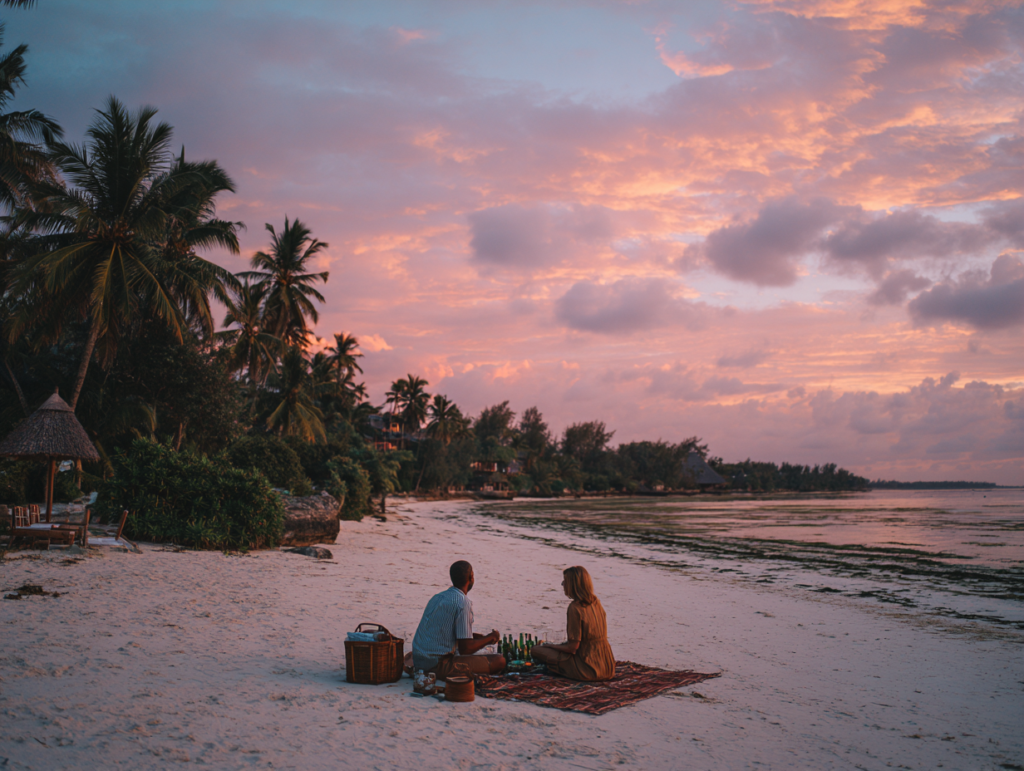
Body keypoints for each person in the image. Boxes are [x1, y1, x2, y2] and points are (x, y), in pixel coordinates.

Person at [411, 560, 505, 679]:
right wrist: (491, 638)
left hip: (419, 661)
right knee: (499, 660)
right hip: (436, 665)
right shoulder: (463, 602)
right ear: (471, 577)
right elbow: (466, 649)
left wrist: (477, 637)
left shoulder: (438, 597)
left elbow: (444, 630)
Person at [532, 566, 615, 681]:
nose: (562, 585)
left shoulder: (575, 608)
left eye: (565, 582)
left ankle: (564, 669)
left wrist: (551, 646)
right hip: (607, 667)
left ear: (572, 585)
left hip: (587, 668)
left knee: (536, 650)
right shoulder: (596, 602)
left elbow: (572, 648)